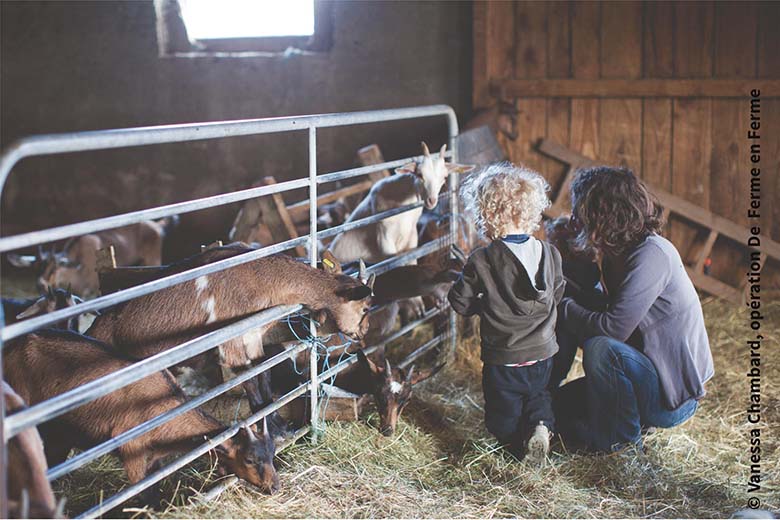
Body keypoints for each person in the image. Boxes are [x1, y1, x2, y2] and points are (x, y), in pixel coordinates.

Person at [553, 166, 714, 452]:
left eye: (580, 210)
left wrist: (563, 306)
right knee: (558, 407)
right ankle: (597, 424)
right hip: (646, 372)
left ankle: (623, 449)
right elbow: (603, 310)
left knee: (601, 348)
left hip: (671, 398)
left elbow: (613, 328)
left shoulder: (652, 255)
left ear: (603, 213)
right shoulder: (618, 253)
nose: (575, 217)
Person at [448, 162, 565, 461]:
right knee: (538, 396)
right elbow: (558, 292)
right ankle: (540, 427)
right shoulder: (550, 252)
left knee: (504, 411)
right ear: (531, 210)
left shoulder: (482, 260)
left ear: (487, 213)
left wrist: (484, 306)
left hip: (504, 358)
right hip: (543, 352)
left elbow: (459, 302)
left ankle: (516, 447)